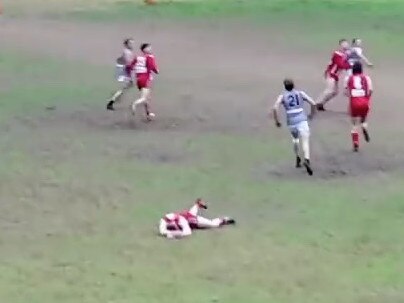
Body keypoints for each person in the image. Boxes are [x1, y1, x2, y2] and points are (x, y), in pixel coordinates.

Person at [273, 79, 316, 176]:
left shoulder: (282, 96)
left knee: (295, 139)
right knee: (305, 140)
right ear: (294, 86)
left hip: (291, 121)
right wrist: (312, 114)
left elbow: (275, 107)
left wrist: (277, 121)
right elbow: (313, 103)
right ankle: (307, 159)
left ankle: (297, 157)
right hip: (302, 119)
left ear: (284, 86)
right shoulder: (300, 93)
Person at [159, 198, 236, 239]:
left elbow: (186, 232)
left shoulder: (180, 222)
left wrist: (172, 234)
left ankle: (224, 220)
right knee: (191, 214)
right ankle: (197, 205)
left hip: (191, 220)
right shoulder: (167, 222)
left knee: (213, 224)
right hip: (187, 215)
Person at [344, 62, 373, 152]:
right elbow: (371, 90)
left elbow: (346, 92)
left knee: (354, 124)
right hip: (364, 102)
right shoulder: (367, 78)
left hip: (354, 103)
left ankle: (355, 142)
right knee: (363, 119)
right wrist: (367, 98)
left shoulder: (349, 78)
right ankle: (364, 127)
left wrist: (351, 95)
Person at [316, 39, 351, 111]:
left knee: (335, 92)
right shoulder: (337, 53)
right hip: (331, 74)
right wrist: (350, 66)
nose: (346, 45)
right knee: (329, 90)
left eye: (347, 44)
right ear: (340, 45)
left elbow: (345, 64)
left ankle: (321, 104)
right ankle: (316, 103)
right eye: (344, 44)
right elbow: (340, 64)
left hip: (335, 76)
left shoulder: (345, 55)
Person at [128, 43, 159, 121]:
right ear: (144, 49)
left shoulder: (137, 57)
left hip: (138, 79)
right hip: (145, 78)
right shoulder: (150, 57)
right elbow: (152, 67)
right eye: (149, 48)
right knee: (144, 98)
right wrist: (157, 71)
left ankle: (148, 114)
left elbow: (130, 66)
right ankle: (134, 104)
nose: (150, 49)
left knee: (147, 98)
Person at [106, 38, 136, 111]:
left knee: (127, 86)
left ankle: (114, 98)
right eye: (130, 43)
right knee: (125, 86)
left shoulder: (128, 52)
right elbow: (128, 64)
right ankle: (112, 101)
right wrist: (130, 76)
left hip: (123, 69)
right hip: (124, 70)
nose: (132, 45)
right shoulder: (127, 52)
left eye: (133, 43)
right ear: (126, 44)